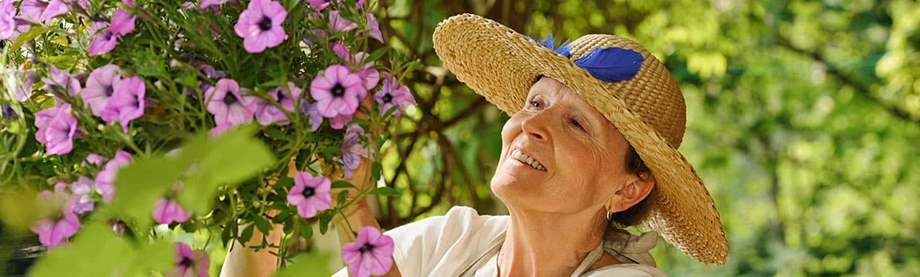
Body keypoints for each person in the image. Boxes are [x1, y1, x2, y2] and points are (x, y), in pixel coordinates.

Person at [221, 13, 728, 277]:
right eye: (534, 102)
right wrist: (262, 208)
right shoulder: (449, 241)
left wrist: (358, 213)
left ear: (628, 189)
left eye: (576, 123)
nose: (532, 125)